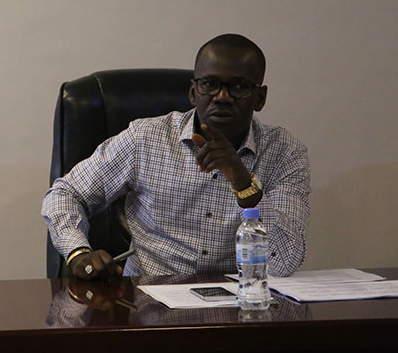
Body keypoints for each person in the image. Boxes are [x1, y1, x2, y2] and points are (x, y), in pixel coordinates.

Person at [42, 34, 310, 279]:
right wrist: (77, 252)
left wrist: (243, 183)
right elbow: (65, 193)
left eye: (239, 86)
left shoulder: (285, 153)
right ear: (193, 92)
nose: (222, 97)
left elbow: (282, 263)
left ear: (260, 98)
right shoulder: (145, 138)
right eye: (210, 84)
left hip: (238, 301)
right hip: (150, 299)